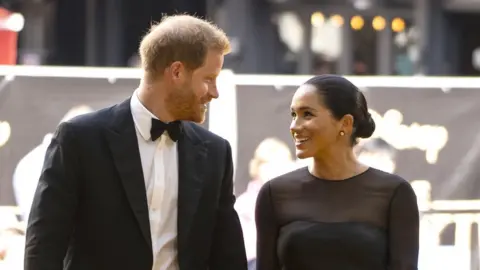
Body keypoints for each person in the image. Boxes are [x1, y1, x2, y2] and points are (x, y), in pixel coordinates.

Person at [25, 15, 247, 270]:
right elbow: (43, 245)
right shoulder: (80, 138)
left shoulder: (216, 153)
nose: (215, 92)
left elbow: (228, 255)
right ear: (177, 72)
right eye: (209, 78)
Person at [255, 74, 419, 270]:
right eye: (293, 115)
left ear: (345, 123)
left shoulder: (394, 193)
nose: (295, 127)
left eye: (307, 114)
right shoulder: (275, 193)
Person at [235, 138, 296, 270]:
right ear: (258, 168)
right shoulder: (245, 204)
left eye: (281, 165)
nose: (276, 171)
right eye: (270, 164)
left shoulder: (294, 201)